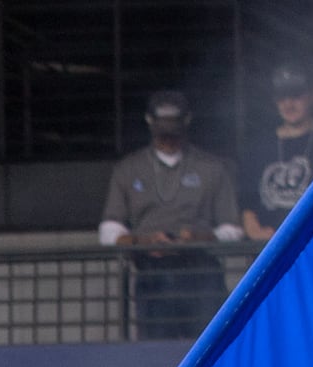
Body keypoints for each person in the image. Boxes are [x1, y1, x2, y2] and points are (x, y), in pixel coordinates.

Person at [98, 92, 240, 339]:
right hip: (152, 273)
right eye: (162, 133)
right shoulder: (128, 168)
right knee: (155, 351)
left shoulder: (211, 167)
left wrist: (199, 237)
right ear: (150, 124)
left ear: (187, 123)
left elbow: (233, 229)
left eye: (174, 133)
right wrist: (145, 242)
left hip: (200, 272)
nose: (168, 140)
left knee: (208, 348)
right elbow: (109, 230)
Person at [245, 66, 313, 240]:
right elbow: (247, 201)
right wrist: (255, 232)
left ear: (312, 96)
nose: (288, 104)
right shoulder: (258, 146)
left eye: (296, 96)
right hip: (269, 248)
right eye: (282, 97)